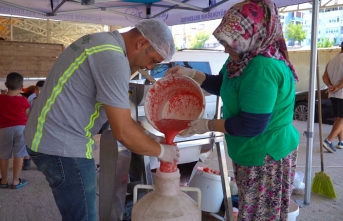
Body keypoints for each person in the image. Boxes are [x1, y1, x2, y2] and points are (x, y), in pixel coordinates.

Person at [24, 18, 179, 221]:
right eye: (153, 60)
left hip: (45, 137)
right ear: (141, 43)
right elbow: (122, 132)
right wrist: (162, 152)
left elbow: (120, 115)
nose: (150, 68)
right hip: (63, 147)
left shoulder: (101, 41)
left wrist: (150, 137)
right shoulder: (113, 58)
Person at [165, 0, 300, 220]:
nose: (226, 48)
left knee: (259, 215)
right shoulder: (243, 58)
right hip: (249, 151)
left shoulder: (262, 67)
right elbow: (229, 87)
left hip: (265, 156)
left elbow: (251, 124)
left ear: (253, 35)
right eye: (224, 42)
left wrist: (206, 125)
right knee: (251, 208)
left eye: (230, 43)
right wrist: (192, 74)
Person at [0, 72, 30, 189]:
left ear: (6, 84)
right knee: (19, 155)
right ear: (22, 87)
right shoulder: (23, 100)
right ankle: (16, 181)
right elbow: (27, 115)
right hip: (21, 128)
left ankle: (3, 180)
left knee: (3, 155)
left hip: (4, 129)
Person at [322, 41, 343, 153]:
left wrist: (330, 86)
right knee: (342, 118)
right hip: (341, 92)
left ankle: (341, 141)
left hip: (333, 94)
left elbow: (324, 76)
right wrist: (338, 86)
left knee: (338, 117)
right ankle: (328, 140)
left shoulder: (333, 59)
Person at [22, 80, 45, 170]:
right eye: (37, 89)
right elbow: (27, 114)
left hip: (44, 128)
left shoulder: (49, 102)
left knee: (42, 146)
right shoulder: (31, 101)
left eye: (41, 90)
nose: (38, 92)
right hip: (33, 126)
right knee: (29, 144)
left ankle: (42, 163)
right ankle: (27, 160)